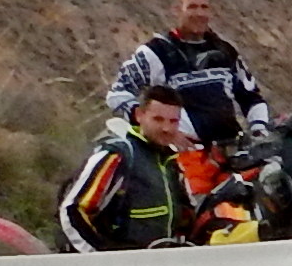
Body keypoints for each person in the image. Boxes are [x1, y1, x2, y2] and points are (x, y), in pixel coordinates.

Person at [107, 0, 269, 154]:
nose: (199, 13)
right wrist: (164, 131)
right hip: (185, 156)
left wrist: (259, 131)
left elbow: (251, 97)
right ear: (177, 10)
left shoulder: (225, 50)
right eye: (191, 7)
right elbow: (117, 94)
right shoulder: (156, 51)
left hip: (231, 152)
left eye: (204, 7)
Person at [63, 88, 215, 253]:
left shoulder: (172, 162)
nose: (167, 128)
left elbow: (186, 217)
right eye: (158, 119)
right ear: (139, 115)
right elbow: (72, 211)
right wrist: (103, 258)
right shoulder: (117, 155)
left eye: (173, 121)